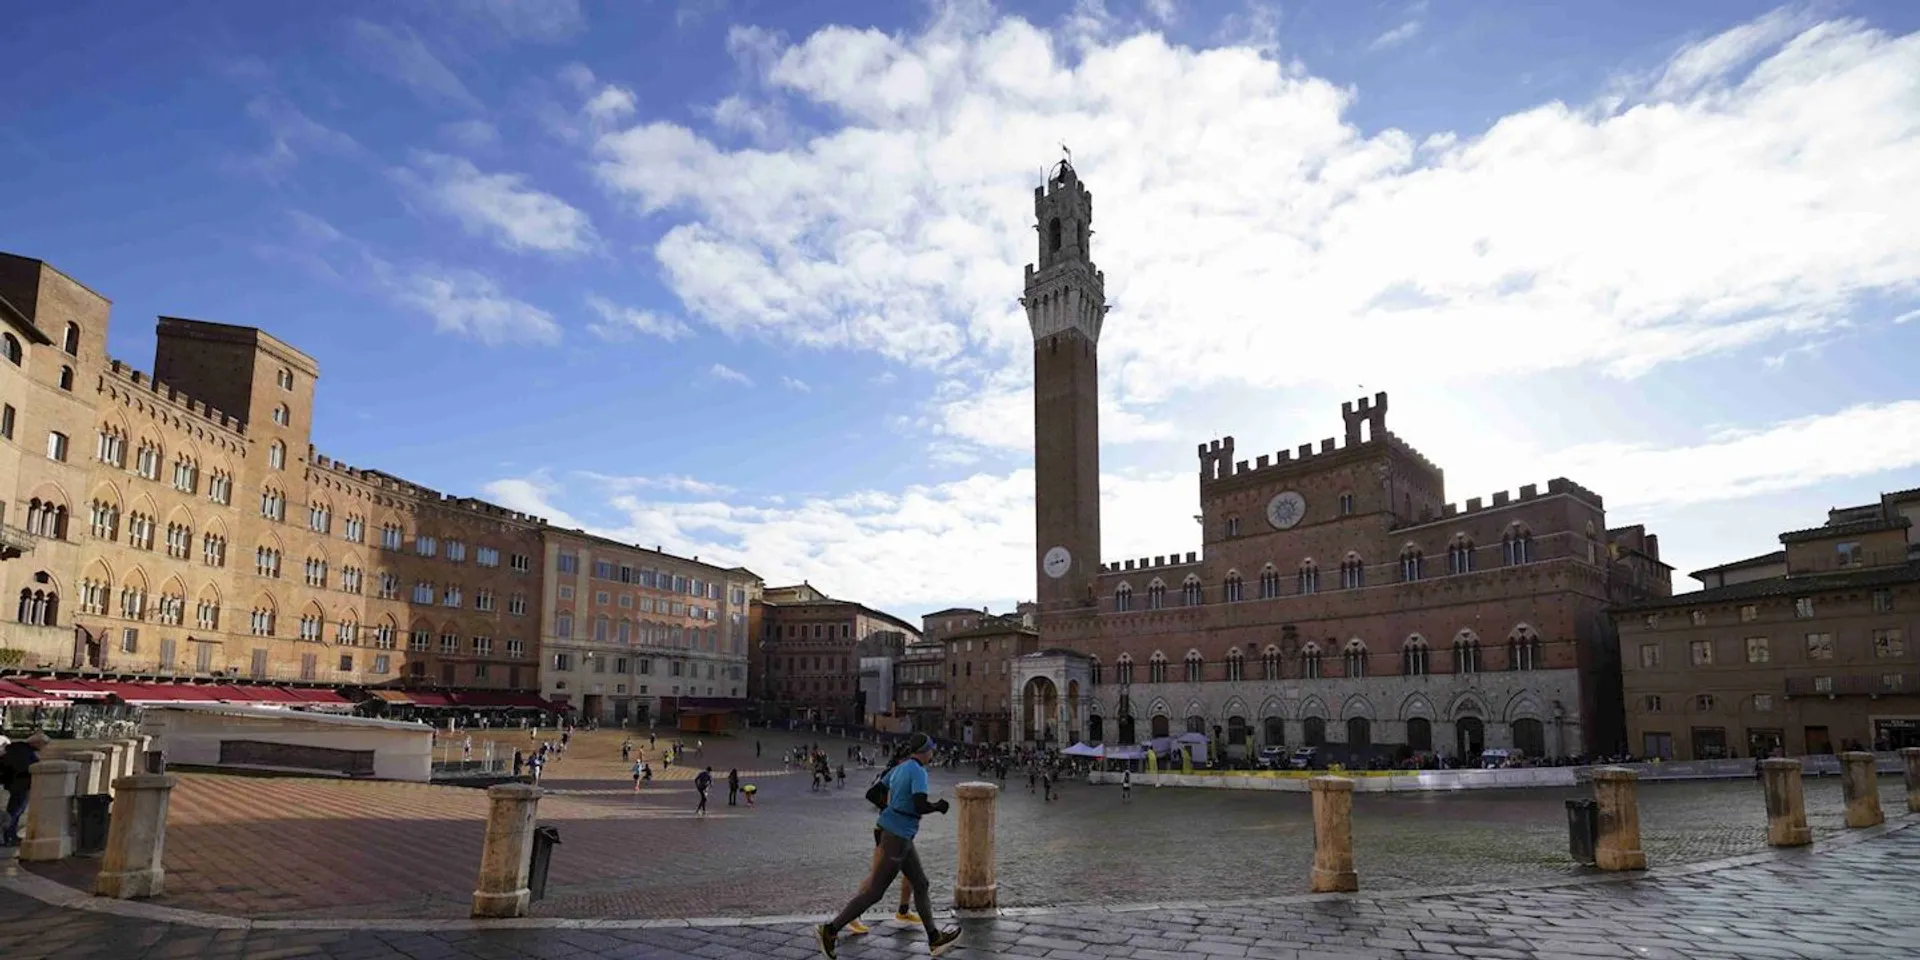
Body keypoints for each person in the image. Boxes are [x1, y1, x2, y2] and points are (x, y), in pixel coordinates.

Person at [815, 733, 961, 959]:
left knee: (921, 883)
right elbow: (920, 804)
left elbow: (872, 793)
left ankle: (934, 938)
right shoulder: (919, 772)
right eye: (931, 749)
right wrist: (939, 806)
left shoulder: (899, 768)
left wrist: (890, 809)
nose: (933, 753)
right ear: (924, 751)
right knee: (875, 891)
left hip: (895, 832)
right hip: (898, 837)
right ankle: (830, 930)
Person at [1, 732, 46, 847]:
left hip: (13, 784)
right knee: (15, 812)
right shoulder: (26, 753)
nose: (44, 747)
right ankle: (8, 837)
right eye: (43, 744)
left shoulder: (15, 749)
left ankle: (9, 835)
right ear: (36, 743)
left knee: (14, 811)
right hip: (22, 785)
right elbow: (28, 767)